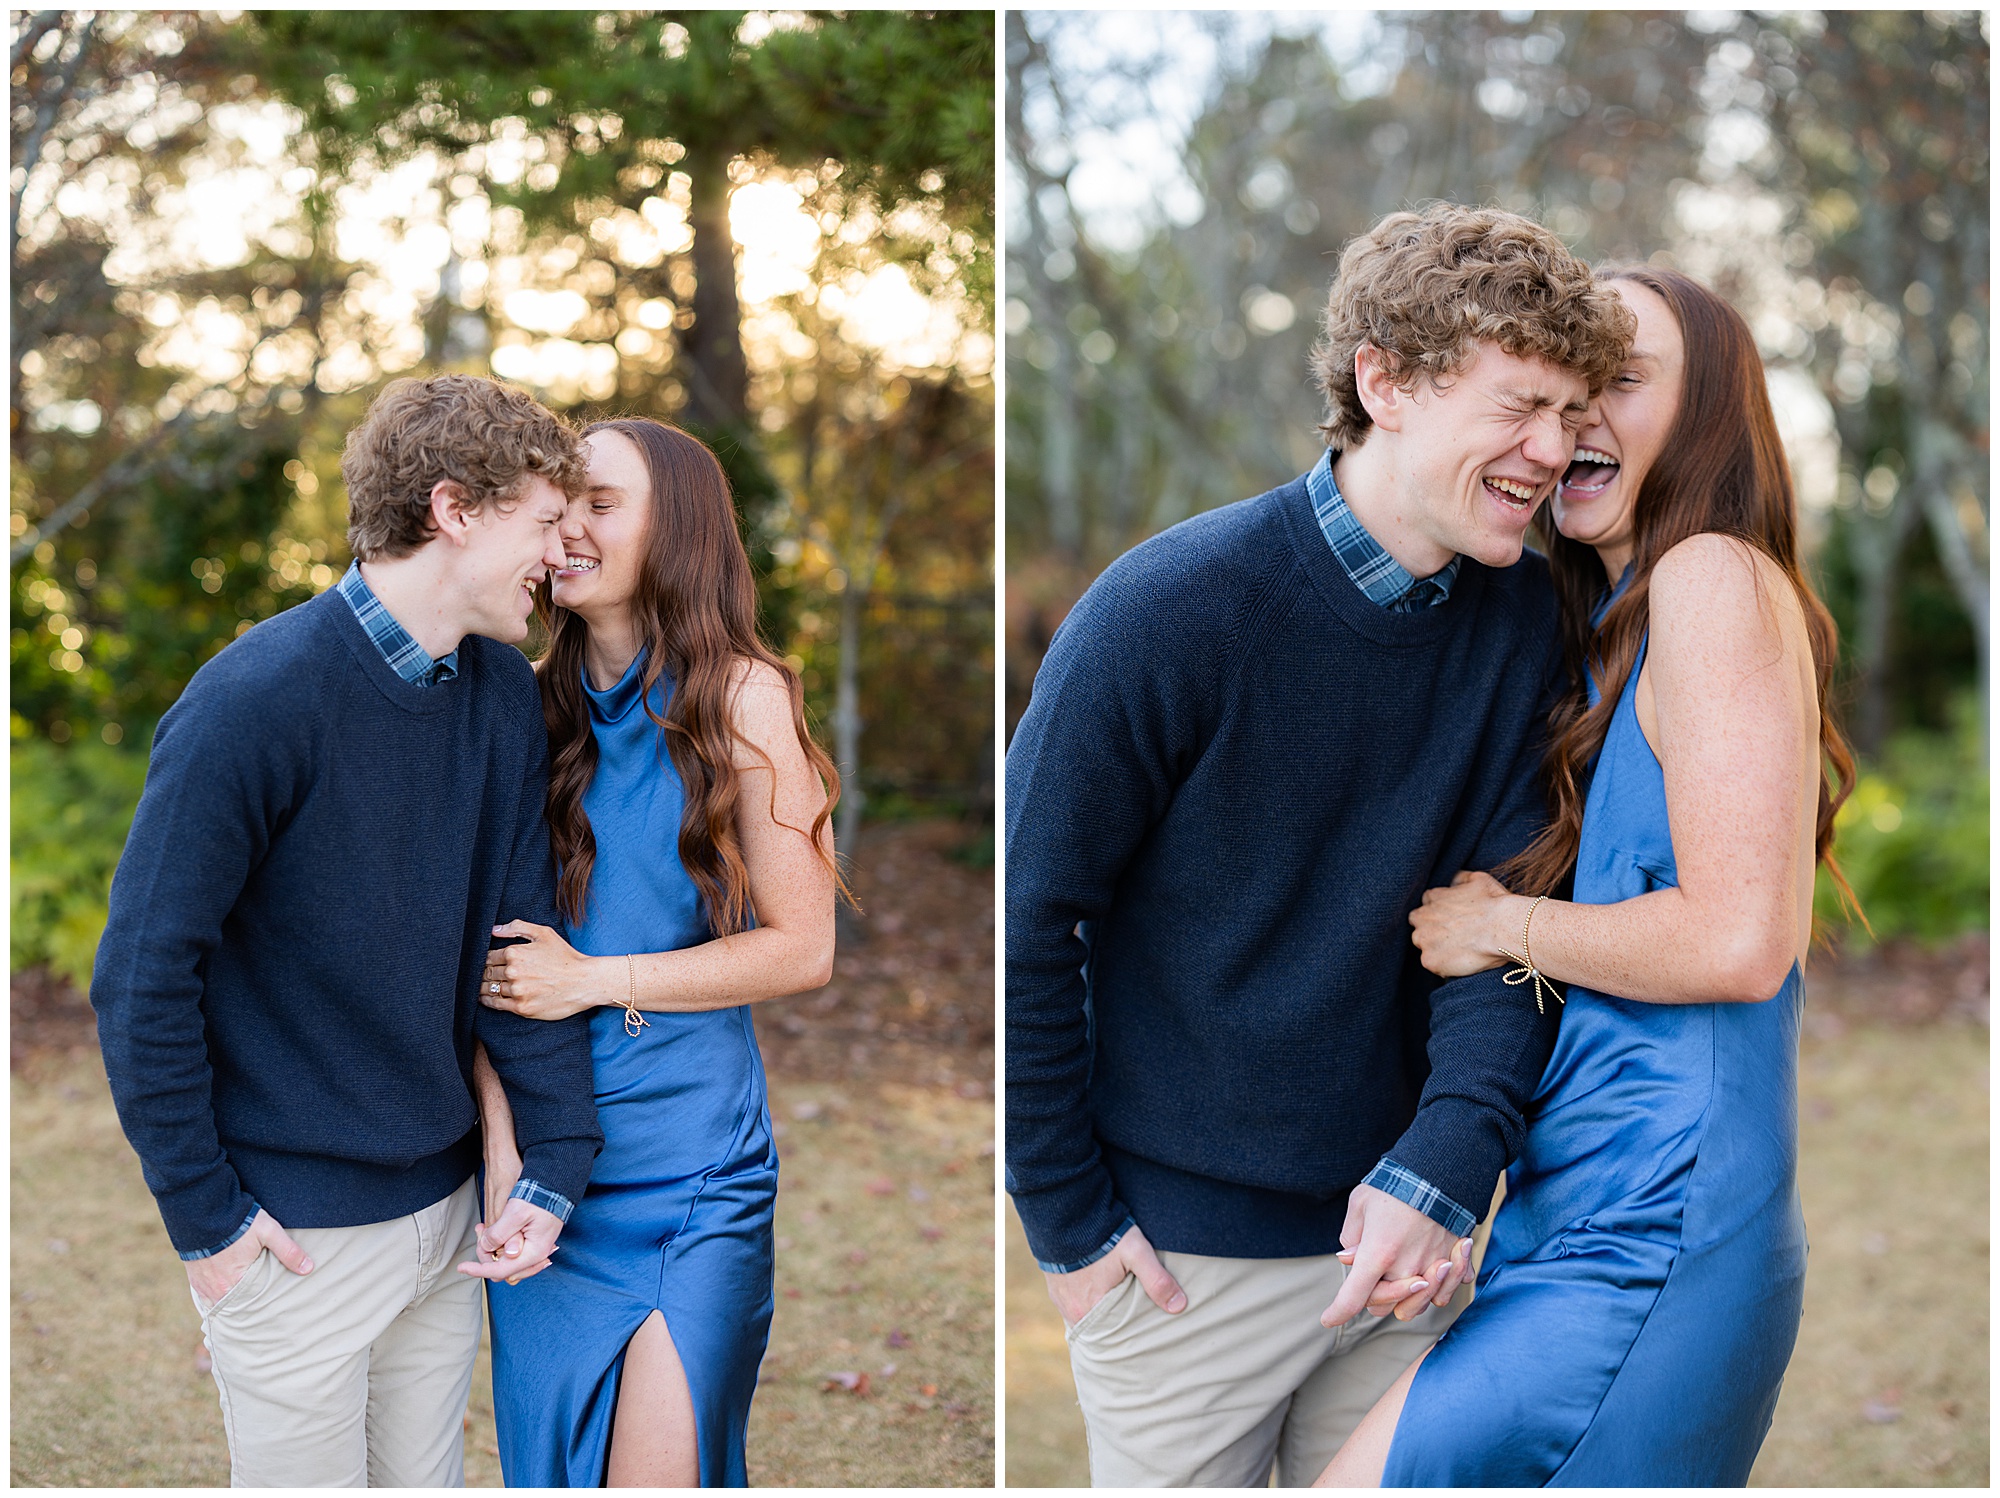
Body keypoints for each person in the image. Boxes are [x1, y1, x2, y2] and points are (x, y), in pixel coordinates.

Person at [1004, 203, 1636, 1486]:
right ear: (1384, 381)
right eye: (1518, 404)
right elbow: (1028, 924)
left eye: (1571, 415)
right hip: (1180, 1270)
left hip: (1406, 1249)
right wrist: (1067, 1224)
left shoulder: (1524, 622)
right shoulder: (1165, 612)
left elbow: (1500, 913)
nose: (1551, 450)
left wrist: (1449, 1163)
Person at [1316, 267, 1857, 1487]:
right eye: (1558, 390)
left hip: (1658, 1235)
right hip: (1583, 1219)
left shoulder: (1709, 577)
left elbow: (1736, 942)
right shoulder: (1615, 616)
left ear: (1708, 413)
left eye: (1616, 380)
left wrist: (1499, 921)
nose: (1570, 423)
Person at [90, 374, 605, 1487]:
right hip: (295, 1241)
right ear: (454, 509)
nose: (564, 555)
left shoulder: (502, 696)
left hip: (448, 1220)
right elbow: (140, 977)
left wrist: (554, 1158)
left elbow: (514, 943)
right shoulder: (253, 701)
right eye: (543, 520)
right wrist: (208, 1222)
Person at [473, 416, 842, 1487]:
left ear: (671, 529)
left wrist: (593, 979)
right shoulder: (517, 706)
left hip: (693, 1173)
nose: (567, 527)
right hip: (550, 1172)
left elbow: (801, 947)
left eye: (599, 502)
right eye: (559, 505)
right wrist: (503, 1150)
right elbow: (480, 967)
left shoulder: (741, 697)